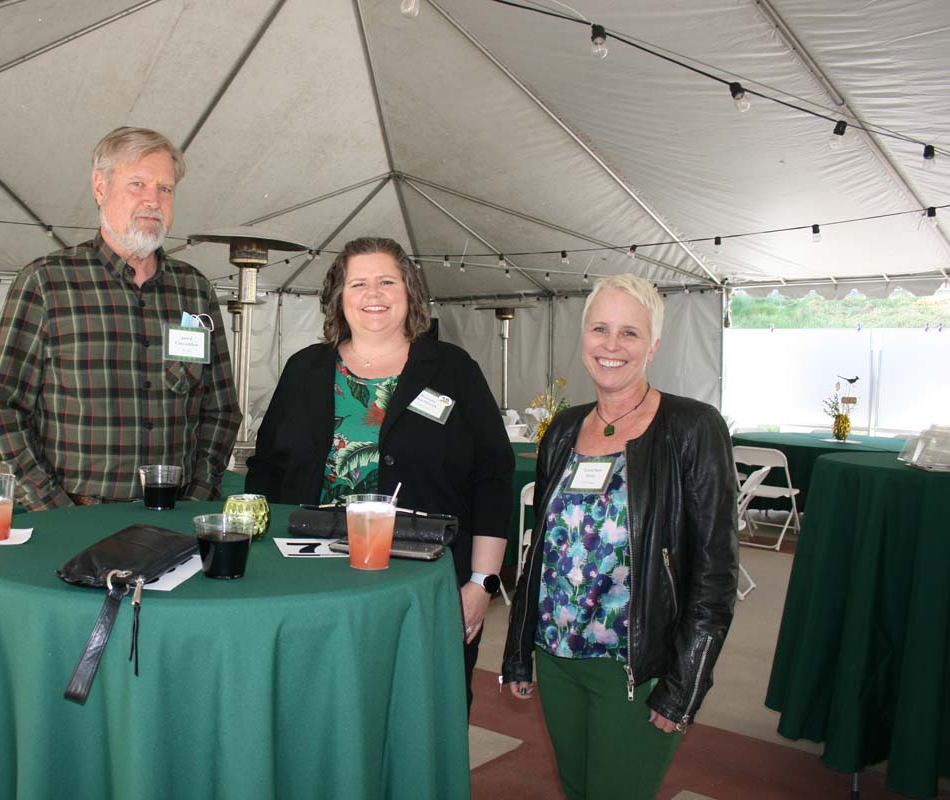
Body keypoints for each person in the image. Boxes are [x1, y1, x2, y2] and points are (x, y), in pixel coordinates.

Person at [245, 236, 513, 709]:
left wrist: (480, 584)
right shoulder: (304, 368)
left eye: (387, 281)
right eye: (359, 283)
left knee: (420, 711)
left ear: (408, 292)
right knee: (317, 708)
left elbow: (492, 477)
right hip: (309, 584)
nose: (374, 294)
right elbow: (265, 469)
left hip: (422, 585)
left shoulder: (453, 369)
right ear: (338, 298)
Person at [501, 274, 738, 800]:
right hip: (557, 656)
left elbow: (714, 574)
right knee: (578, 790)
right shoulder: (563, 430)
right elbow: (541, 550)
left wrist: (684, 687)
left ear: (653, 345)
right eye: (600, 328)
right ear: (582, 336)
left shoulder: (692, 429)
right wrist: (520, 649)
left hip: (636, 666)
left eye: (629, 333)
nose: (612, 345)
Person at [0, 127, 240, 511]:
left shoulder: (193, 289)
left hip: (172, 516)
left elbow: (219, 409)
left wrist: (197, 496)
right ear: (100, 188)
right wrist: (54, 509)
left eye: (165, 189)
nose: (153, 200)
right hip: (75, 516)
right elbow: (1, 407)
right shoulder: (47, 282)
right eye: (138, 184)